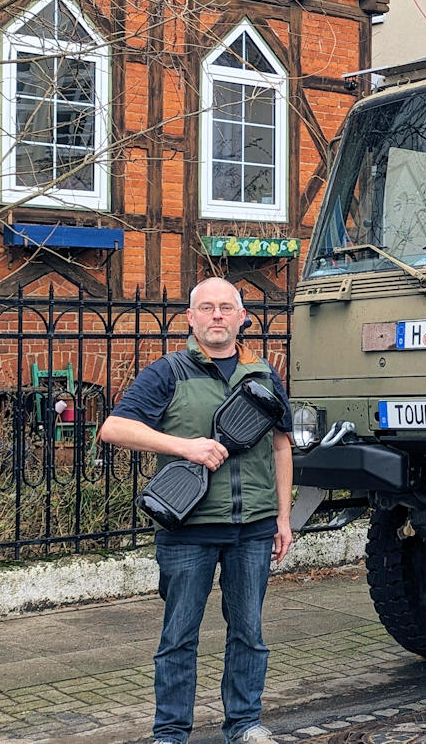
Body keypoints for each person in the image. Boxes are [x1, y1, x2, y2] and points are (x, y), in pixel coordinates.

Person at [99, 277, 293, 744]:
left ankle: (245, 725)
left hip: (253, 527)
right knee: (179, 637)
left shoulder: (263, 373)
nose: (217, 316)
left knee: (249, 634)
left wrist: (284, 518)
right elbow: (113, 428)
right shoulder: (167, 372)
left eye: (227, 307)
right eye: (206, 308)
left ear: (243, 316)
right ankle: (170, 733)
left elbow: (283, 446)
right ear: (190, 318)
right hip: (188, 528)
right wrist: (183, 447)